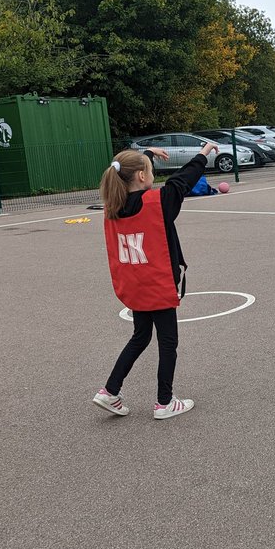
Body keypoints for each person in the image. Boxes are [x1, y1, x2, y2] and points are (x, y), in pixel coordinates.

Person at [93, 142, 217, 419]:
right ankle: (164, 401)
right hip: (157, 284)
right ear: (140, 177)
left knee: (140, 336)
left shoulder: (113, 206)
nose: (152, 174)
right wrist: (203, 153)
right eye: (149, 170)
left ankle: (109, 391)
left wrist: (147, 155)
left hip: (135, 285)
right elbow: (182, 181)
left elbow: (135, 171)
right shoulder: (156, 203)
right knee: (168, 342)